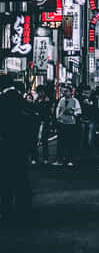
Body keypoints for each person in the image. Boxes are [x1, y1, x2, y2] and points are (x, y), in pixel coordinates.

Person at [0, 74, 35, 220]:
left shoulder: (3, 101)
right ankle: (24, 209)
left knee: (6, 179)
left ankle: (6, 209)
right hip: (21, 146)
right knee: (21, 178)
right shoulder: (22, 100)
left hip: (5, 145)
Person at [53, 86, 81, 167]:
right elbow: (58, 109)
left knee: (70, 142)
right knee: (60, 142)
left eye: (67, 91)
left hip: (71, 123)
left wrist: (73, 113)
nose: (65, 93)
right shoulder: (61, 100)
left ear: (71, 92)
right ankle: (59, 159)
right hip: (62, 123)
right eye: (64, 91)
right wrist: (58, 117)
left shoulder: (75, 101)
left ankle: (70, 159)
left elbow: (79, 111)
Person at [32, 85, 52, 164]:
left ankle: (45, 158)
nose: (41, 93)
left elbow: (48, 112)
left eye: (42, 91)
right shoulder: (36, 100)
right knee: (35, 140)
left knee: (44, 140)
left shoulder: (47, 100)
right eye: (39, 92)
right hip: (36, 122)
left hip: (45, 122)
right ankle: (35, 157)